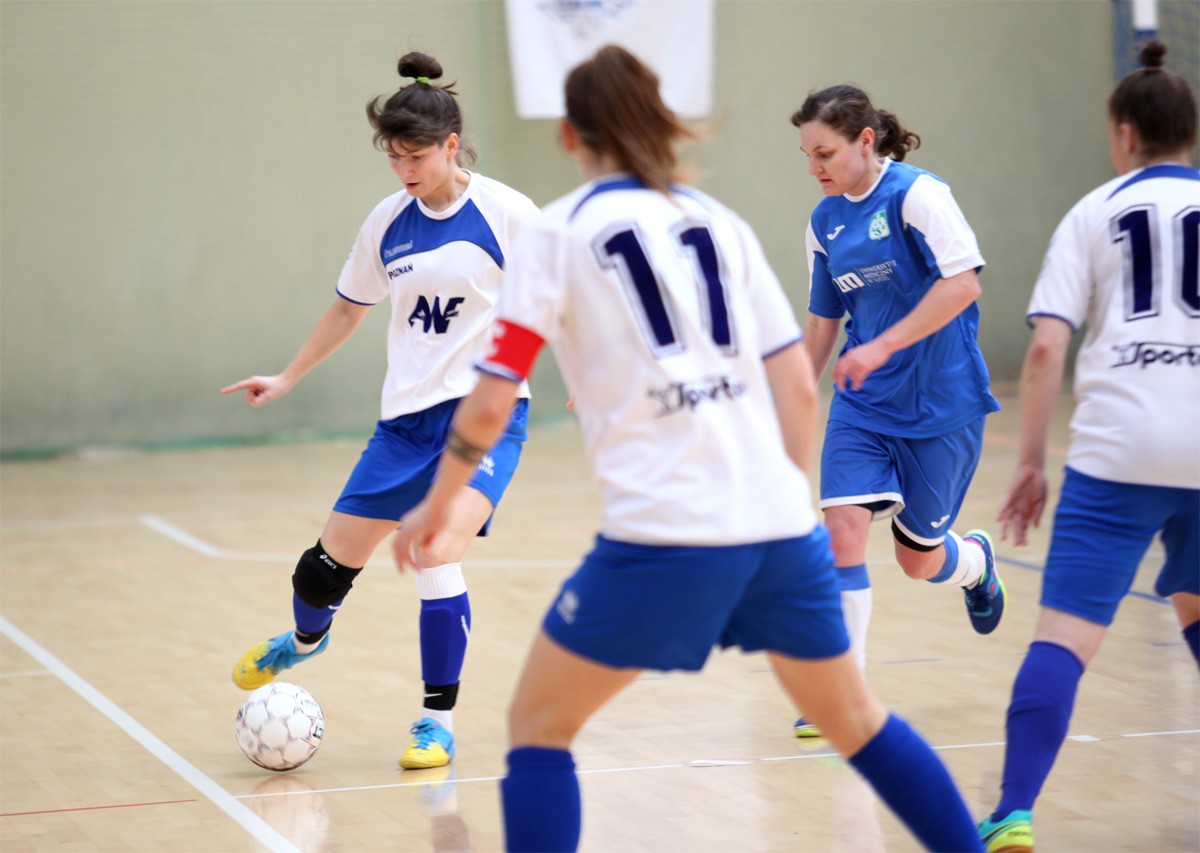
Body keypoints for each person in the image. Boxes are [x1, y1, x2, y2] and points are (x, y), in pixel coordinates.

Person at [393, 44, 984, 853]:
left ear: (568, 136)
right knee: (859, 722)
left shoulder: (556, 233)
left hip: (661, 532)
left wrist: (436, 502)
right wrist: (789, 508)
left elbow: (494, 396)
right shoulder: (718, 222)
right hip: (776, 527)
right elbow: (797, 385)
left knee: (536, 724)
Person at [221, 51, 540, 771]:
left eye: (416, 156)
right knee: (318, 575)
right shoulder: (387, 222)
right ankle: (305, 640)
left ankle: (436, 722)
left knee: (436, 552)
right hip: (403, 427)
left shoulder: (509, 214)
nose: (404, 169)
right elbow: (347, 308)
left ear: (451, 145)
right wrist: (288, 375)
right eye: (393, 157)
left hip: (484, 417)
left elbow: (566, 291)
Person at [977, 40, 1199, 853]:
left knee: (1064, 637)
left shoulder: (1093, 212)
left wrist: (1029, 462)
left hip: (1119, 452)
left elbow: (1045, 349)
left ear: (1123, 134)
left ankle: (1013, 812)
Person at [789, 84, 1006, 736]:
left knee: (919, 559)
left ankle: (974, 564)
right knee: (842, 531)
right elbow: (822, 325)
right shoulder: (825, 223)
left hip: (943, 404)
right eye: (806, 155)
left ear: (865, 140)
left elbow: (962, 284)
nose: (815, 167)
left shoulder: (918, 196)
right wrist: (792, 404)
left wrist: (883, 344)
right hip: (864, 406)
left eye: (825, 153)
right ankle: (842, 694)